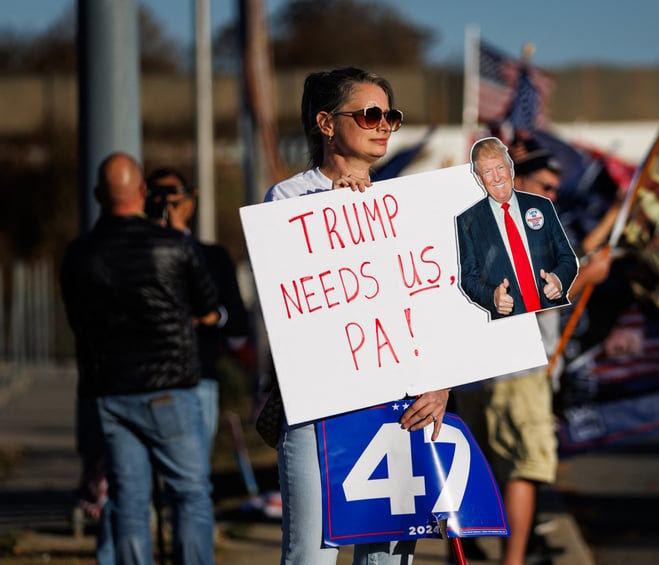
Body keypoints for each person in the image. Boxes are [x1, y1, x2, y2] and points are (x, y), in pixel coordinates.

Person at [263, 67, 450, 565]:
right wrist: (335, 210)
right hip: (318, 413)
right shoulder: (287, 198)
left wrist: (439, 383)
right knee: (311, 557)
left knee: (387, 560)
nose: (384, 124)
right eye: (370, 114)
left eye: (390, 115)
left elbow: (425, 306)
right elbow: (294, 302)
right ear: (326, 123)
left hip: (395, 410)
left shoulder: (406, 205)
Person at [454, 137, 611, 565]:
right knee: (522, 470)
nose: (553, 195)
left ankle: (472, 554)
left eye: (557, 189)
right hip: (516, 373)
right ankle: (514, 561)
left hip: (475, 373)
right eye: (545, 185)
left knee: (481, 473)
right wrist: (586, 276)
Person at [60, 152, 220, 565]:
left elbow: (77, 321)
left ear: (98, 195)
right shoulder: (174, 246)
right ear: (143, 193)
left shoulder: (78, 255)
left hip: (111, 393)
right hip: (170, 390)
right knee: (190, 495)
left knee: (128, 501)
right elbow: (206, 308)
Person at [145, 167, 251, 451]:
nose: (167, 208)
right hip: (147, 377)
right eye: (159, 200)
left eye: (174, 201)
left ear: (189, 204)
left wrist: (214, 316)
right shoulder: (136, 255)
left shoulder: (212, 257)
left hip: (199, 374)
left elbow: (237, 324)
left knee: (193, 472)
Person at [456, 136, 579, 320]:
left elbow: (567, 258)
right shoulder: (469, 221)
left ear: (511, 170)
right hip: (505, 329)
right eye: (488, 171)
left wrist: (558, 280)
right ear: (480, 178)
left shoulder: (543, 207)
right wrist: (492, 296)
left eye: (500, 168)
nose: (497, 177)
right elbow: (468, 279)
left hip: (547, 339)